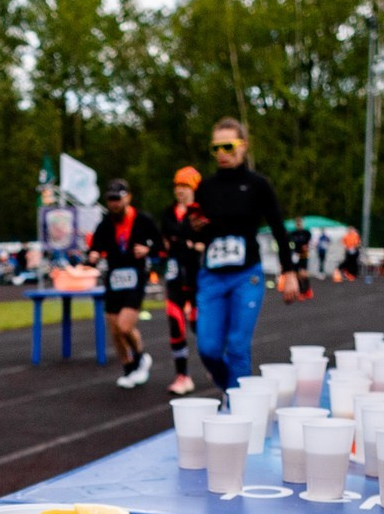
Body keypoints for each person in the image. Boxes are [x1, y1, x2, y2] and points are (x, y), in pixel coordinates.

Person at [182, 118, 290, 391]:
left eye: (229, 146)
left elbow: (278, 228)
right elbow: (197, 234)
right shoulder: (205, 188)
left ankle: (239, 409)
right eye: (216, 148)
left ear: (244, 147)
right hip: (212, 276)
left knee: (238, 346)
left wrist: (289, 271)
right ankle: (229, 388)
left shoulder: (258, 185)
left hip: (246, 275)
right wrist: (194, 228)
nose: (222, 153)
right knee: (208, 348)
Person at [87, 178, 162, 388]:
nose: (114, 203)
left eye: (117, 199)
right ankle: (128, 367)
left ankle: (140, 358)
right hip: (113, 278)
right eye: (110, 199)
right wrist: (92, 255)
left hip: (135, 277)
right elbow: (94, 248)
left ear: (127, 197)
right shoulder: (105, 223)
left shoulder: (142, 220)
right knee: (114, 331)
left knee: (125, 326)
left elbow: (160, 244)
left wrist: (148, 250)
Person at [158, 166, 205, 394]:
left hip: (198, 278)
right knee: (175, 324)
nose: (180, 190)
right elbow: (165, 239)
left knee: (200, 325)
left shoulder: (202, 213)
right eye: (177, 186)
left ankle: (213, 364)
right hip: (175, 277)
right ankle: (182, 375)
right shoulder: (168, 212)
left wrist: (193, 244)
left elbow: (204, 241)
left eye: (185, 186)